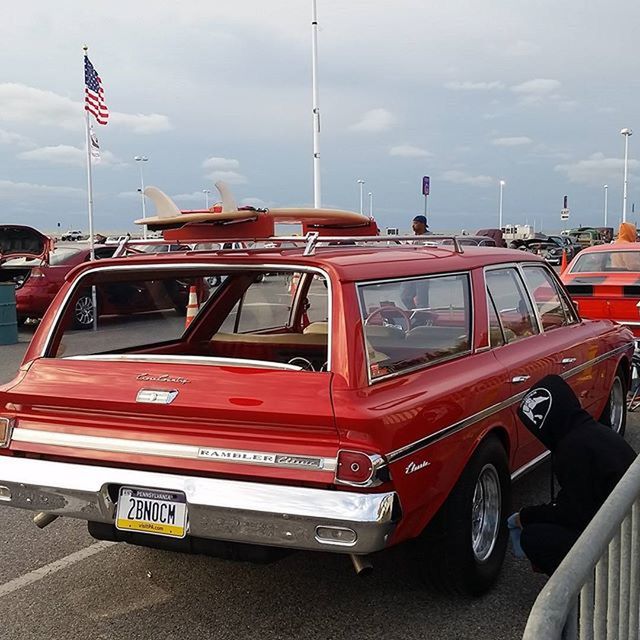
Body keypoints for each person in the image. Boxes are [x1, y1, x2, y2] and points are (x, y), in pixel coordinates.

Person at [510, 375, 636, 575]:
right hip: (628, 526)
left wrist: (526, 516)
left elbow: (573, 513)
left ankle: (582, 590)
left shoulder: (572, 451)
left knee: (534, 537)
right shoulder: (594, 432)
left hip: (621, 544)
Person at [401, 215, 431, 309]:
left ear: (423, 224)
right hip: (410, 270)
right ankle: (414, 312)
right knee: (405, 297)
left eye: (416, 223)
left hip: (423, 271)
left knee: (422, 300)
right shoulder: (410, 237)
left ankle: (423, 316)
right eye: (413, 223)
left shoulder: (431, 237)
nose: (413, 226)